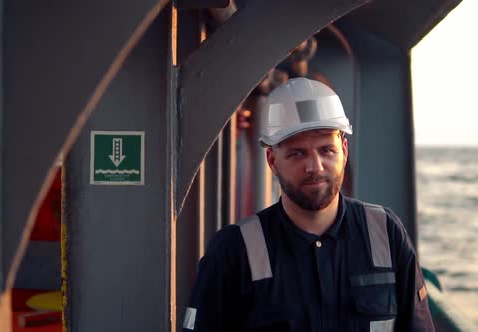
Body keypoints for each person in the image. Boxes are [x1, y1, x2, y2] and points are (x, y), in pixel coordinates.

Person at [183, 78, 435, 331]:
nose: (315, 167)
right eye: (297, 153)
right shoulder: (233, 251)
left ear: (344, 151)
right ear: (272, 160)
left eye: (327, 150)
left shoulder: (385, 233)